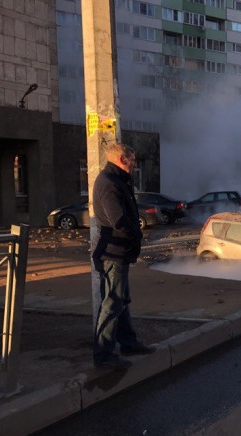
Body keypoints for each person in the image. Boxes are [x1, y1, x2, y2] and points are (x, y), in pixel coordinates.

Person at [92, 142, 154, 369]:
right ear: (122, 159)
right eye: (132, 159)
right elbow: (117, 219)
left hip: (118, 252)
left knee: (121, 300)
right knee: (111, 303)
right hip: (112, 253)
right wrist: (135, 234)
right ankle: (103, 355)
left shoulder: (117, 180)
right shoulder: (109, 183)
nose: (135, 163)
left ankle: (128, 342)